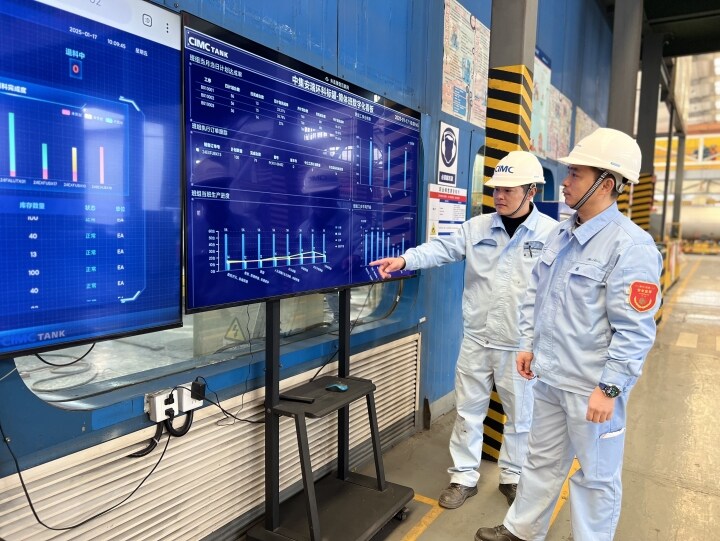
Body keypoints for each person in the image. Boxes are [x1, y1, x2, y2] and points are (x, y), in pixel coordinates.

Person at [475, 128, 662, 541]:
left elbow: (635, 329)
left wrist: (609, 388)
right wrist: (528, 346)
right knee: (540, 461)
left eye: (576, 174)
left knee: (596, 477)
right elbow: (536, 296)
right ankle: (522, 531)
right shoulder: (561, 234)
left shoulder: (631, 247)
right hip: (550, 378)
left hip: (591, 387)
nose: (565, 181)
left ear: (606, 184)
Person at [371, 151, 558, 509]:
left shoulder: (552, 234)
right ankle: (463, 477)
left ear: (531, 191)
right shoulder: (477, 228)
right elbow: (441, 249)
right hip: (477, 339)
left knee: (522, 417)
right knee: (468, 412)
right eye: (496, 189)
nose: (499, 196)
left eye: (508, 190)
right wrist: (406, 259)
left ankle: (513, 476)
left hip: (521, 346)